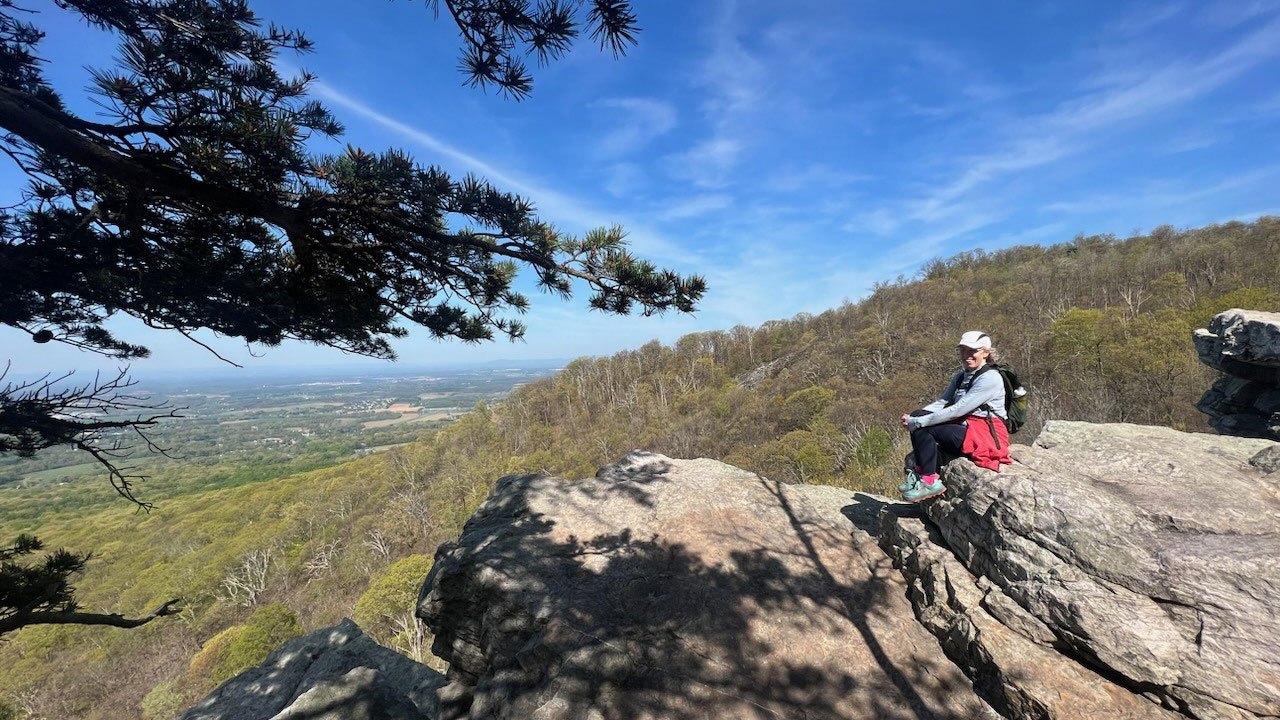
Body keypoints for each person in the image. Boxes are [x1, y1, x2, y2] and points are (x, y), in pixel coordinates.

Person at [898, 330, 1012, 502]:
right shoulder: (961, 376)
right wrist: (915, 418)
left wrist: (918, 422)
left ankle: (929, 480)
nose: (966, 355)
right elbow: (943, 402)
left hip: (984, 434)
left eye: (972, 351)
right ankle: (921, 473)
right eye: (963, 350)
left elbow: (957, 410)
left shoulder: (990, 378)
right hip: (966, 427)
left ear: (986, 352)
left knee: (924, 425)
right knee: (919, 417)